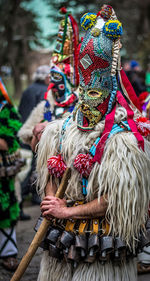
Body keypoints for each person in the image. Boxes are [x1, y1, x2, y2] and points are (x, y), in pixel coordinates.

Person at [36, 5, 150, 281]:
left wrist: (68, 210)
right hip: (60, 239)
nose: (88, 100)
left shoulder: (124, 142)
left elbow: (117, 200)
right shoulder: (59, 131)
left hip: (102, 242)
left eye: (95, 92)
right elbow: (52, 171)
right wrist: (53, 201)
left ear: (109, 91)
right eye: (84, 92)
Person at [18, 7, 79, 152]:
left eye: (62, 79)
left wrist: (51, 128)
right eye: (53, 79)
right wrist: (38, 132)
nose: (57, 85)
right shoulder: (45, 106)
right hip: (45, 164)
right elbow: (25, 132)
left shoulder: (81, 106)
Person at [18, 65, 50, 208]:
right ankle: (27, 195)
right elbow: (42, 116)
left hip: (25, 130)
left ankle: (24, 196)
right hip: (35, 135)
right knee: (36, 166)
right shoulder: (44, 92)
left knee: (32, 166)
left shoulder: (28, 89)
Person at [0, 77, 23, 271]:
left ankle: (8, 254)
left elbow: (7, 142)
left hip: (3, 175)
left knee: (6, 211)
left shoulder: (6, 109)